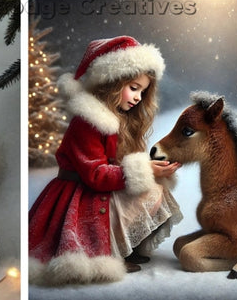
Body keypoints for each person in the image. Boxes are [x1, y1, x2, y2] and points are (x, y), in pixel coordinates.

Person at [28, 36, 182, 285]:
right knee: (147, 190)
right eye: (133, 88)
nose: (138, 98)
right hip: (79, 195)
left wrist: (152, 168)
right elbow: (97, 175)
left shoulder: (118, 118)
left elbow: (115, 165)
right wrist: (144, 170)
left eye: (143, 91)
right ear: (112, 83)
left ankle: (125, 246)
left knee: (155, 190)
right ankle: (111, 251)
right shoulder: (88, 120)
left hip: (98, 189)